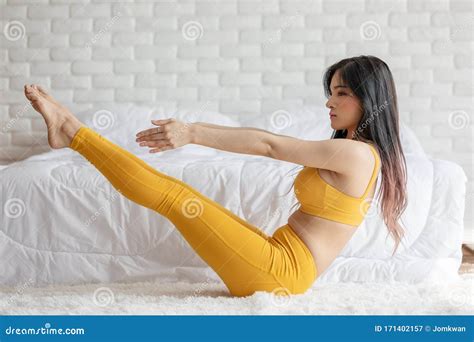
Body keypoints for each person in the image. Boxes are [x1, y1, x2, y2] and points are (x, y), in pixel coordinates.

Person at [23, 55, 407, 298]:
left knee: (172, 198)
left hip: (281, 273)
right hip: (278, 258)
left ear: (367, 99)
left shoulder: (356, 154)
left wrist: (192, 132)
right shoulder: (359, 152)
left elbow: (269, 145)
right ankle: (71, 130)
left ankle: (72, 131)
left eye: (340, 93)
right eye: (331, 92)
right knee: (177, 193)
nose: (328, 101)